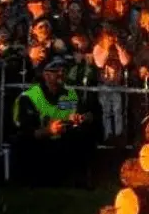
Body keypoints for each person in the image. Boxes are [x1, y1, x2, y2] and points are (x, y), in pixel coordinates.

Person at [12, 58, 95, 186]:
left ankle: (79, 178)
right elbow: (26, 131)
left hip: (62, 141)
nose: (61, 74)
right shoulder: (29, 97)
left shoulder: (69, 94)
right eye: (57, 71)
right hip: (39, 145)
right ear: (46, 74)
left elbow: (75, 113)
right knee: (23, 142)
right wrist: (49, 131)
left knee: (84, 133)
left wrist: (81, 118)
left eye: (64, 70)